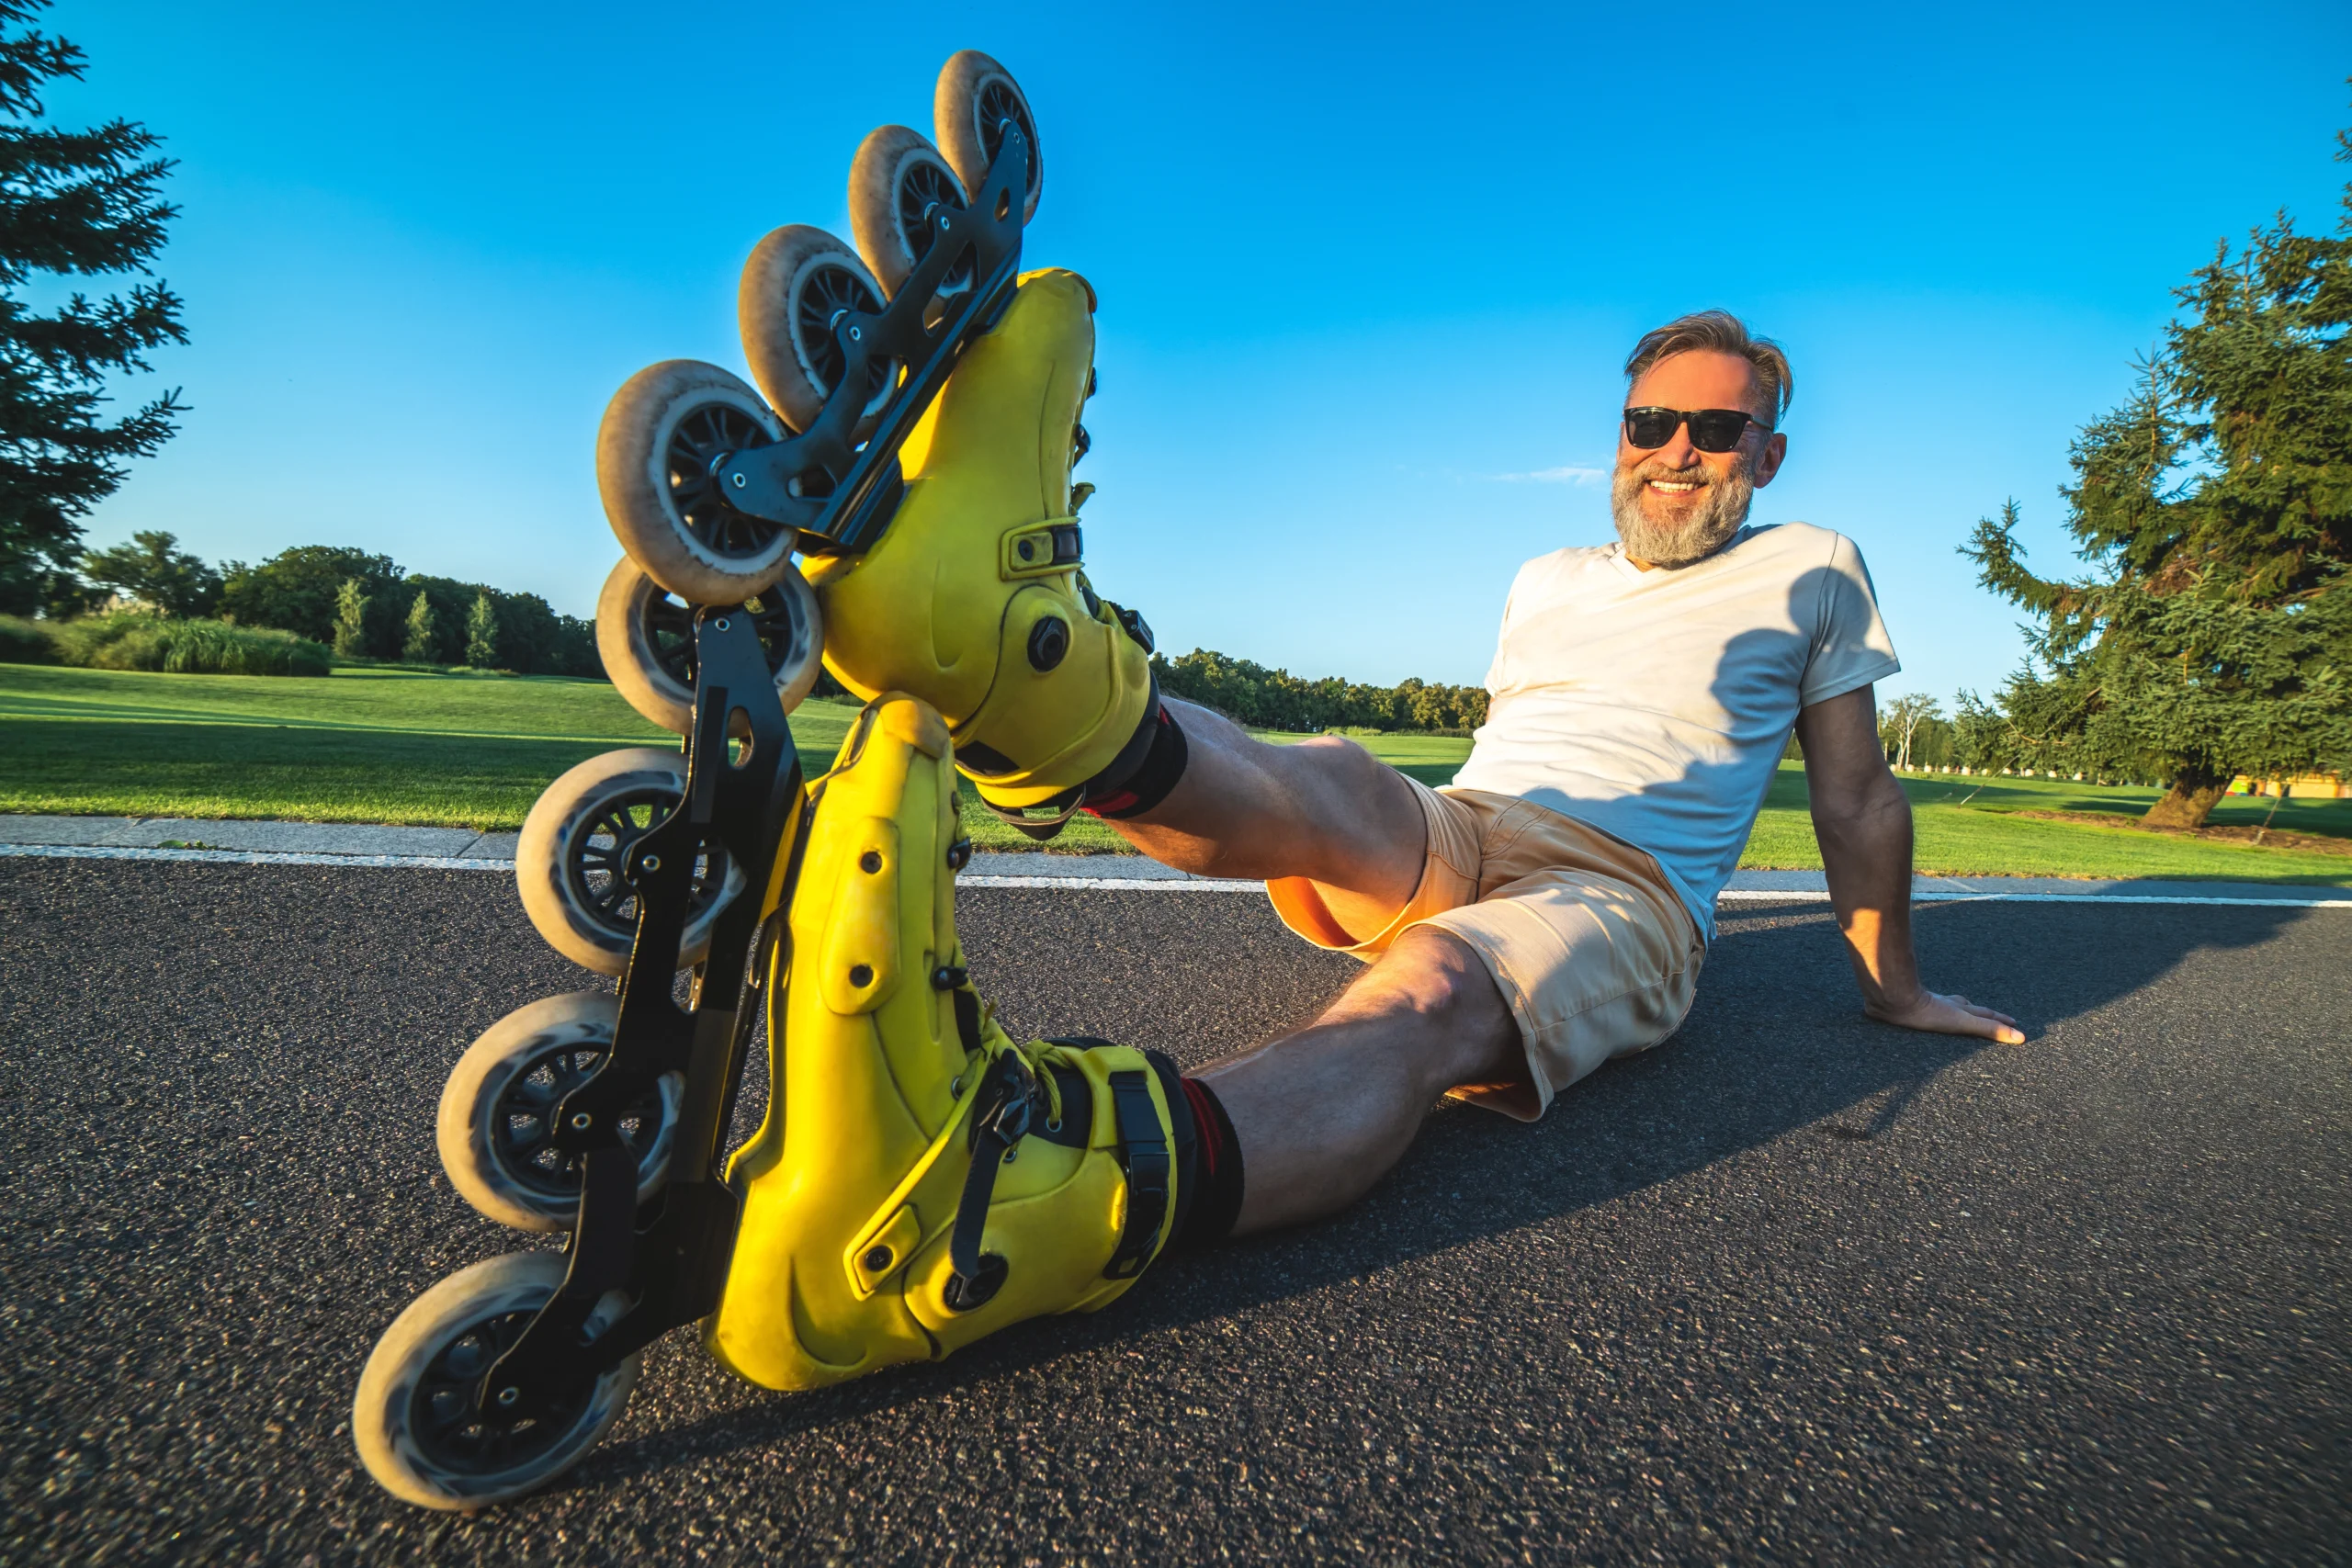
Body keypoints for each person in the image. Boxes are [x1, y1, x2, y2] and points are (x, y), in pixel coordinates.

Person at [727, 290, 2023, 1389]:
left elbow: (1854, 795)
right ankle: (1004, 659)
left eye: (1715, 428)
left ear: (1767, 454)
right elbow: (1478, 773)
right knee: (1332, 775)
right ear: (1618, 439)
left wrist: (1894, 987)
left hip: (1622, 889)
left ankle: (1048, 1189)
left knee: (1435, 984)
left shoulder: (1815, 565)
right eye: (1650, 424)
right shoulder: (1547, 576)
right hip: (1471, 818)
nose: (1676, 452)